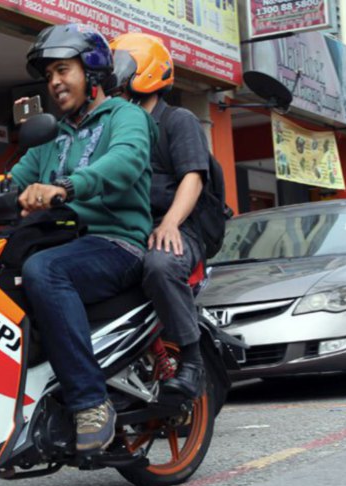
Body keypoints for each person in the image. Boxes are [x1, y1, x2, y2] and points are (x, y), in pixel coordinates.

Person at [10, 23, 156, 455]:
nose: (54, 82)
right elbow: (11, 180)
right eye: (49, 74)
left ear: (91, 71)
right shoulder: (52, 138)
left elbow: (125, 162)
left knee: (44, 270)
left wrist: (67, 187)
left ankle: (91, 402)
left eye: (63, 70)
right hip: (64, 243)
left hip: (116, 243)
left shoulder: (126, 117)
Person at [107, 33, 211, 398]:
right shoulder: (116, 126)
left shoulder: (177, 121)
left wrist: (170, 223)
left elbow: (193, 178)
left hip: (179, 228)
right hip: (128, 229)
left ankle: (194, 361)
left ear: (146, 73)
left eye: (120, 68)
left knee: (161, 264)